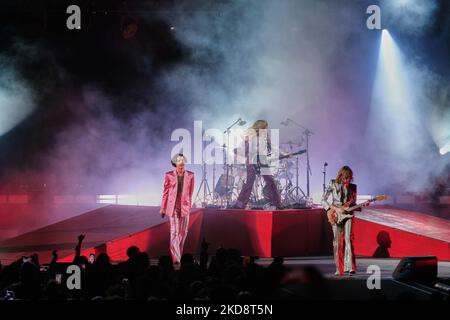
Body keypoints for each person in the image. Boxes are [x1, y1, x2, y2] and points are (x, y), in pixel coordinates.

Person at [321, 166, 365, 276]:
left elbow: (353, 204)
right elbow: (323, 199)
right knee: (337, 242)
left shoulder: (353, 187)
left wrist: (362, 205)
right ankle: (338, 268)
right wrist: (335, 209)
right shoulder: (332, 184)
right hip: (336, 215)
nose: (348, 181)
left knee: (348, 239)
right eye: (346, 178)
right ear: (341, 176)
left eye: (350, 179)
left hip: (348, 215)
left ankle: (350, 267)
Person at [233, 120, 282, 209]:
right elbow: (243, 148)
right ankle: (239, 205)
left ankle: (278, 204)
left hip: (262, 159)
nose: (266, 129)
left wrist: (283, 153)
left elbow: (272, 148)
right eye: (264, 127)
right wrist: (238, 150)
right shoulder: (249, 135)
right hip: (251, 159)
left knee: (270, 182)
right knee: (249, 182)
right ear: (260, 127)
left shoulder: (265, 136)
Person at [160, 153, 195, 264]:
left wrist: (189, 206)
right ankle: (177, 258)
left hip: (184, 207)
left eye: (183, 161)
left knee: (184, 232)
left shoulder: (190, 175)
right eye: (179, 161)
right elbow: (165, 192)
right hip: (173, 207)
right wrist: (163, 207)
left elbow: (190, 192)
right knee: (174, 232)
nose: (181, 163)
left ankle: (178, 253)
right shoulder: (169, 175)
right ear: (175, 163)